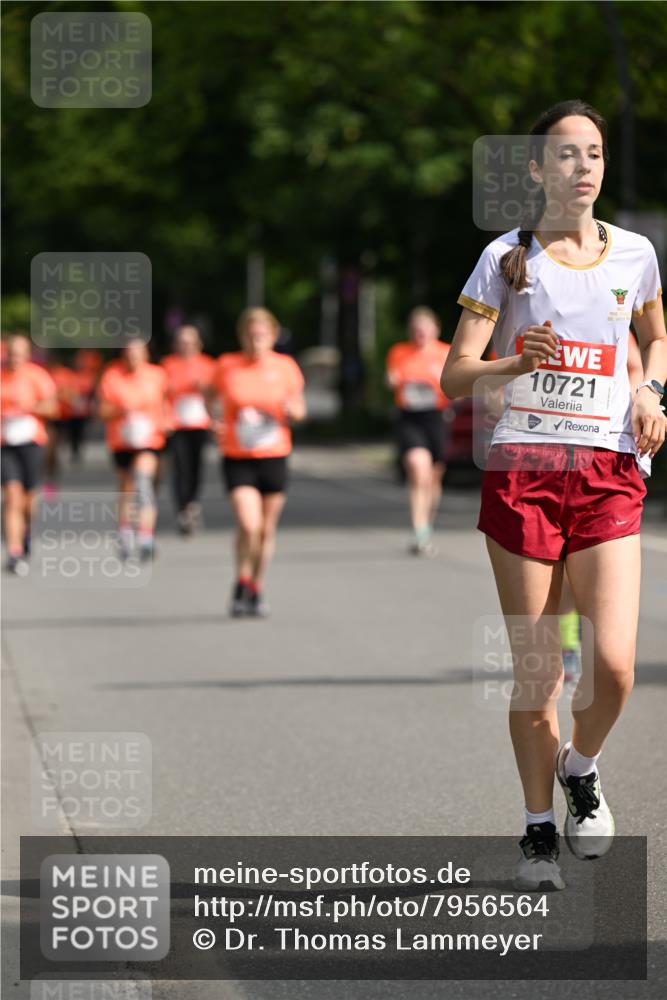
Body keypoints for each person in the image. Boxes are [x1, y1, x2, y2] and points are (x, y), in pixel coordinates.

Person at [441, 100, 666, 890]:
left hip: (606, 471)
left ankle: (580, 765)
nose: (582, 167)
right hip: (524, 476)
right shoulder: (505, 256)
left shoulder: (634, 253)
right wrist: (512, 363)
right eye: (566, 154)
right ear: (536, 169)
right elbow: (453, 375)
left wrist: (652, 393)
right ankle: (538, 829)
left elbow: (654, 338)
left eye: (593, 153)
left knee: (614, 667)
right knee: (538, 677)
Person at [208, 307, 306, 617]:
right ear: (242, 337)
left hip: (274, 455)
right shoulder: (227, 365)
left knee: (265, 530)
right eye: (251, 335)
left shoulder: (285, 367)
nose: (256, 341)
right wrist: (214, 420)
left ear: (273, 337)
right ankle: (241, 579)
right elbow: (209, 395)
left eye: (262, 335)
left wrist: (293, 411)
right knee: (249, 524)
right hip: (237, 455)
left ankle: (255, 587)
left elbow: (300, 408)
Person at [386, 308, 451, 555]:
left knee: (434, 476)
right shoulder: (399, 352)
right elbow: (391, 378)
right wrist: (393, 380)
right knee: (417, 468)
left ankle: (426, 525)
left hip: (437, 417)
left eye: (424, 328)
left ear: (436, 330)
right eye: (416, 329)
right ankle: (418, 530)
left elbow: (456, 386)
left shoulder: (445, 352)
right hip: (410, 417)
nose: (420, 333)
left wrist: (438, 383)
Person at [97, 339, 169, 562]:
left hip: (150, 439)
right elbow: (101, 410)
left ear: (146, 355)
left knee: (142, 481)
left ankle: (145, 536)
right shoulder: (112, 375)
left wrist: (167, 420)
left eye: (137, 354)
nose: (133, 359)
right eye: (129, 354)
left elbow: (167, 402)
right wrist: (121, 409)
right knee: (127, 488)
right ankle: (125, 531)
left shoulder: (157, 375)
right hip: (122, 440)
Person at [1, 333, 58, 574]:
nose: (15, 359)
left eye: (19, 354)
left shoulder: (37, 376)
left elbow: (53, 407)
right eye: (11, 354)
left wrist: (30, 407)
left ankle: (26, 534)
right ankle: (14, 551)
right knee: (12, 495)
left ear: (27, 355)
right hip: (5, 444)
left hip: (31, 442)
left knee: (28, 501)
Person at [161, 325, 216, 534]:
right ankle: (183, 507)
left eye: (190, 342)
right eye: (182, 342)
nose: (186, 346)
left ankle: (193, 502)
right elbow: (160, 395)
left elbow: (216, 395)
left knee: (196, 466)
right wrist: (164, 418)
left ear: (198, 344)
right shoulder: (168, 365)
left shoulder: (208, 365)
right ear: (175, 344)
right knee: (180, 466)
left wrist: (206, 390)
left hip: (200, 423)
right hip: (176, 424)